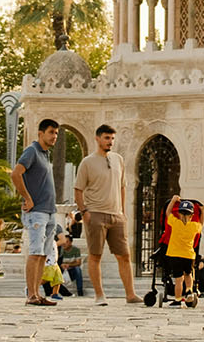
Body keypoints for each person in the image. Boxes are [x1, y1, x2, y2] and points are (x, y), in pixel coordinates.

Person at [70, 122, 137, 305]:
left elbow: (123, 187)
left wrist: (122, 212)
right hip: (95, 214)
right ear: (97, 138)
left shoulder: (118, 159)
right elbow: (78, 190)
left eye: (112, 138)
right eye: (107, 138)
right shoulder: (87, 162)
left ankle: (130, 295)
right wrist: (85, 212)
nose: (110, 142)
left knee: (124, 255)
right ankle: (99, 296)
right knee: (95, 255)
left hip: (116, 216)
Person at [11, 117, 62, 307]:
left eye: (56, 133)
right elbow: (16, 173)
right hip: (36, 211)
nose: (54, 136)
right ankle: (30, 294)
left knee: (43, 254)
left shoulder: (46, 154)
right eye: (51, 132)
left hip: (49, 211)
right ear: (40, 133)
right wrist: (27, 197)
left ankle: (37, 294)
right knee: (34, 252)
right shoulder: (32, 151)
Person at [160, 196, 203, 307]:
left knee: (179, 280)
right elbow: (201, 224)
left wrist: (173, 200)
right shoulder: (193, 226)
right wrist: (203, 211)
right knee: (188, 275)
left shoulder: (175, 223)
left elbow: (167, 212)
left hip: (175, 255)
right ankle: (189, 290)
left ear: (179, 214)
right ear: (191, 216)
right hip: (188, 255)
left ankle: (178, 300)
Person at [51, 231, 85, 298]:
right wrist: (62, 265)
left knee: (78, 270)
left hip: (71, 270)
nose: (64, 244)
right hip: (62, 269)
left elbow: (78, 262)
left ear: (71, 242)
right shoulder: (60, 250)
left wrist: (69, 265)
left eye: (67, 242)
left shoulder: (76, 250)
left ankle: (80, 291)